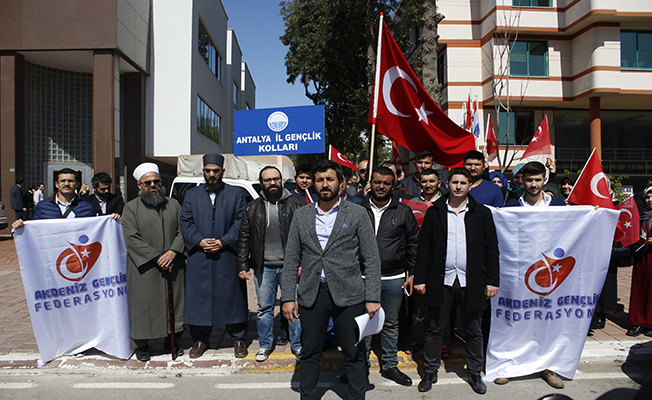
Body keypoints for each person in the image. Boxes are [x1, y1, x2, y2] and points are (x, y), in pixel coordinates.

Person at [281, 160, 381, 400]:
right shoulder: (301, 215)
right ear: (313, 184)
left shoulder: (357, 213)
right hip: (312, 294)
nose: (325, 185)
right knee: (310, 351)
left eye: (330, 179)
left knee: (353, 352)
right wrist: (287, 297)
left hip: (350, 295)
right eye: (319, 180)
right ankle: (308, 396)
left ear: (341, 183)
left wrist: (372, 297)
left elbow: (372, 258)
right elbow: (291, 258)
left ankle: (357, 396)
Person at [414, 167, 499, 394]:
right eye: (455, 182)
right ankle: (430, 371)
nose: (459, 187)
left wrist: (492, 281)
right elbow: (424, 248)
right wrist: (420, 278)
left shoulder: (481, 213)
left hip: (472, 280)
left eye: (463, 183)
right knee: (434, 328)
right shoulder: (435, 212)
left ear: (470, 186)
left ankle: (474, 371)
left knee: (474, 328)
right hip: (440, 280)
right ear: (447, 184)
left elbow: (492, 249)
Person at [502, 161, 566, 389]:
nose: (533, 184)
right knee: (515, 319)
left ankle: (548, 367)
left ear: (544, 180)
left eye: (537, 180)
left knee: (548, 320)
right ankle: (510, 364)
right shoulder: (511, 205)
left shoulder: (558, 204)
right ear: (522, 181)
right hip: (519, 274)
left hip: (549, 274)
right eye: (529, 180)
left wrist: (592, 213)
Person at [180, 153, 248, 359]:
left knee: (232, 297)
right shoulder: (192, 194)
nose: (211, 175)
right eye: (208, 171)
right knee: (199, 299)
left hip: (226, 255)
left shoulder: (236, 193)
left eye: (215, 171)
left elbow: (241, 222)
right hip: (199, 256)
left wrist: (223, 241)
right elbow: (185, 221)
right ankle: (200, 340)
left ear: (223, 172)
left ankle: (238, 339)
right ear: (203, 172)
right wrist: (199, 240)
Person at [236, 166, 305, 361]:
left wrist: (303, 263)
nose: (272, 182)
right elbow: (244, 238)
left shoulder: (297, 205)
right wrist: (242, 264)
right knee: (264, 309)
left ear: (281, 180)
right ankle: (265, 345)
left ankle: (298, 345)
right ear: (262, 183)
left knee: (295, 307)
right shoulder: (252, 207)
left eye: (275, 179)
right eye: (267, 180)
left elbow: (306, 238)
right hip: (263, 266)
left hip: (291, 266)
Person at [360, 166, 419, 387]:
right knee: (364, 324)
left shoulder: (403, 212)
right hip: (363, 277)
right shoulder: (358, 209)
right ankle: (360, 367)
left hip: (393, 278)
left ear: (393, 186)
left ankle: (389, 365)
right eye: (377, 182)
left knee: (391, 323)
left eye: (386, 183)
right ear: (370, 183)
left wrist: (412, 273)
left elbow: (414, 244)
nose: (381, 186)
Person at [121, 162, 185, 361]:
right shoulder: (130, 208)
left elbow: (183, 231)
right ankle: (142, 345)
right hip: (145, 267)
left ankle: (171, 340)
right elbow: (131, 237)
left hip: (172, 265)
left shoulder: (173, 204)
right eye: (147, 182)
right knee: (143, 306)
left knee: (173, 304)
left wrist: (173, 251)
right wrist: (157, 257)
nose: (153, 185)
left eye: (156, 181)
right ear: (139, 185)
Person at [12, 169, 95, 230]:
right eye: (63, 181)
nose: (66, 184)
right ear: (56, 184)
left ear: (77, 184)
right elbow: (34, 229)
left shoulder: (87, 207)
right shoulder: (43, 206)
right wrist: (21, 226)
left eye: (70, 181)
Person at [627, 186, 652, 337]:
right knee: (639, 288)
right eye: (648, 197)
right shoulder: (641, 214)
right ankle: (637, 322)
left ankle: (649, 322)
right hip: (641, 256)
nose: (650, 200)